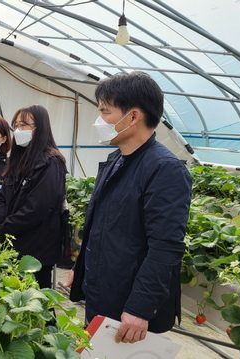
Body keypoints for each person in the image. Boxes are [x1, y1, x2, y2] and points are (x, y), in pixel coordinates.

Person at [64, 71, 192, 344]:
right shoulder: (116, 161)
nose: (99, 120)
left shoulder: (164, 170)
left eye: (105, 112)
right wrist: (81, 267)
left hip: (127, 304)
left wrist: (140, 308)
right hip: (102, 289)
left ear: (133, 117)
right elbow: (99, 225)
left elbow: (165, 247)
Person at [0, 104, 68, 289]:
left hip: (36, 249)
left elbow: (37, 208)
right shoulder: (18, 160)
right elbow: (2, 198)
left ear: (39, 128)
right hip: (13, 243)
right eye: (15, 125)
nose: (18, 129)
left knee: (37, 302)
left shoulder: (51, 162)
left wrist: (4, 229)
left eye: (24, 124)